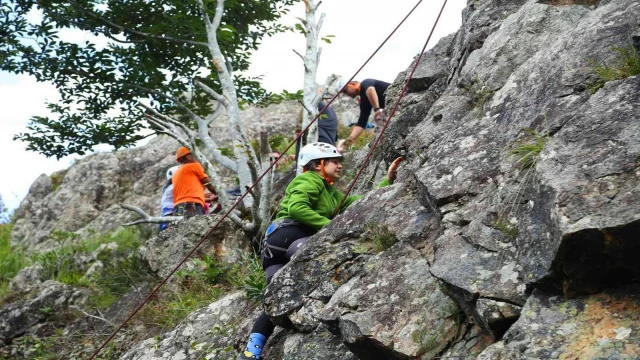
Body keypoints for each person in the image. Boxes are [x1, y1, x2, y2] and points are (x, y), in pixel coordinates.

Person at [237, 142, 402, 360]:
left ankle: (251, 352)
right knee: (328, 263)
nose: (340, 165)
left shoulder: (330, 193)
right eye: (334, 161)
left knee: (276, 298)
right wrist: (329, 227)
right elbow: (297, 207)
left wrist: (386, 181)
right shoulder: (309, 180)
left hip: (274, 247)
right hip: (291, 236)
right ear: (317, 165)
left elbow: (356, 203)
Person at [336, 78, 390, 150]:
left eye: (345, 91)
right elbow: (362, 123)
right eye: (344, 93)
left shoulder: (365, 83)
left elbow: (370, 89)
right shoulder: (364, 100)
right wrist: (348, 141)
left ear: (352, 84)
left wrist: (377, 109)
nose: (347, 94)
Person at [172, 147, 219, 218]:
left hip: (178, 208)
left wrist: (204, 196)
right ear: (189, 156)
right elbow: (209, 184)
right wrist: (220, 194)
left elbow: (186, 194)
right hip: (191, 206)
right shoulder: (195, 166)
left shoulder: (176, 173)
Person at [159, 165, 180, 231]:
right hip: (170, 209)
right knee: (170, 227)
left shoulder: (170, 187)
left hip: (166, 210)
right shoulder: (173, 187)